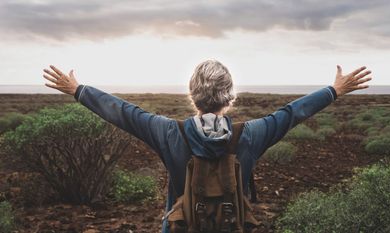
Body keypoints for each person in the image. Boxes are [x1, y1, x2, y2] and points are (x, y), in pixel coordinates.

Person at [42, 60, 372, 232]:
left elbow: (125, 113)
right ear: (230, 97)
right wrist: (334, 90)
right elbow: (290, 114)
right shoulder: (251, 134)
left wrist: (78, 89)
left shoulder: (169, 133)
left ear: (192, 95)